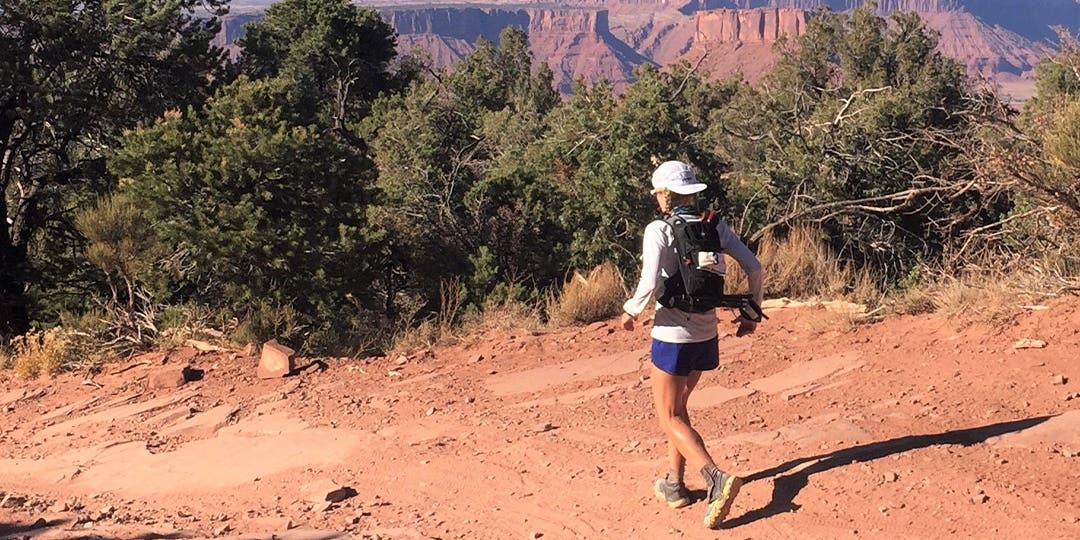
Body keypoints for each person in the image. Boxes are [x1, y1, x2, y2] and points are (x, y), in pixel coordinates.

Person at [620, 160, 764, 529]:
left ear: (664, 195)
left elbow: (649, 283)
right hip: (706, 335)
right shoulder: (714, 225)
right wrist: (751, 313)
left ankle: (715, 478)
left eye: (657, 193)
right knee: (679, 410)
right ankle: (675, 484)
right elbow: (755, 267)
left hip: (671, 336)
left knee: (667, 416)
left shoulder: (658, 229)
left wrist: (630, 312)